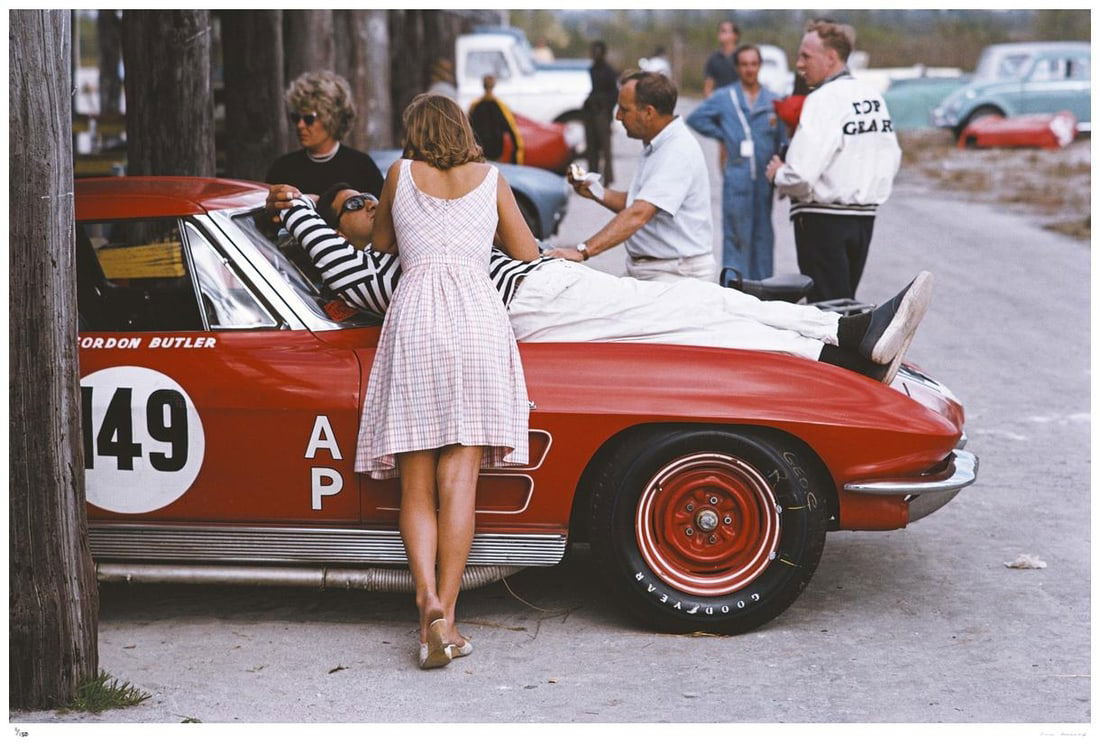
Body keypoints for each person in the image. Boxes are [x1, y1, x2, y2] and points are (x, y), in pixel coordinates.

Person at [267, 184, 932, 386]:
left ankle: (844, 333)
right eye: (351, 203)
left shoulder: (410, 242)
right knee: (694, 327)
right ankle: (840, 352)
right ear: (343, 228)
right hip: (533, 305)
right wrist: (297, 208)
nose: (366, 201)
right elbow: (340, 268)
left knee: (696, 303)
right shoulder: (375, 268)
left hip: (541, 286)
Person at [359, 94, 538, 669]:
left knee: (415, 484)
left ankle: (426, 603)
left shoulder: (400, 174)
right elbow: (526, 251)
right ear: (463, 127)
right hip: (477, 323)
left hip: (415, 319)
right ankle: (451, 620)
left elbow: (380, 242)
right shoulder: (492, 179)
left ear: (414, 131)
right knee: (459, 479)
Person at [765, 20, 901, 302]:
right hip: (863, 217)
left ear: (831, 57)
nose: (799, 64)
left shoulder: (823, 99)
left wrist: (778, 173)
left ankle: (839, 349)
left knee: (826, 310)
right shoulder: (872, 97)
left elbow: (800, 175)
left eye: (806, 56)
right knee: (845, 302)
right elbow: (891, 156)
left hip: (822, 218)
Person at [551, 71, 715, 283]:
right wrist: (595, 192)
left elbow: (639, 213)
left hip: (676, 275)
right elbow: (640, 203)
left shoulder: (676, 151)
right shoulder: (658, 143)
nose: (618, 116)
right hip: (654, 269)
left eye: (624, 109)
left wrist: (583, 251)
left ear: (648, 112)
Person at [687, 44, 787, 281]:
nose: (749, 70)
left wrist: (784, 174)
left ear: (759, 66)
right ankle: (734, 289)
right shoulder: (725, 97)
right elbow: (696, 118)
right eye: (744, 65)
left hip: (764, 179)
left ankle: (764, 289)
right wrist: (723, 134)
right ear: (737, 67)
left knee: (763, 234)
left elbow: (783, 139)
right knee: (735, 234)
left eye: (754, 64)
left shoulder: (773, 101)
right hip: (737, 176)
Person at [265, 70, 384, 198]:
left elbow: (380, 213)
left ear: (332, 118)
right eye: (296, 118)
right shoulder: (283, 168)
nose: (300, 125)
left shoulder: (361, 166)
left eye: (308, 119)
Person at [468, 74, 524, 164]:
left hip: (479, 153)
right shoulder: (501, 106)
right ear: (494, 85)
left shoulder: (474, 106)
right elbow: (513, 132)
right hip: (495, 153)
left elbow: (467, 129)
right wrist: (517, 162)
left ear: (483, 85)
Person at [584, 40, 618, 184]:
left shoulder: (609, 71)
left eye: (598, 51)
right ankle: (593, 177)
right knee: (591, 147)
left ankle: (608, 178)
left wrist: (606, 109)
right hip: (591, 111)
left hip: (602, 113)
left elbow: (614, 94)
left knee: (605, 148)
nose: (595, 54)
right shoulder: (592, 69)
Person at [703, 20, 741, 97]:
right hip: (719, 102)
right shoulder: (713, 59)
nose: (720, 33)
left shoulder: (742, 58)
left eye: (724, 31)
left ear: (735, 35)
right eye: (720, 31)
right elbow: (708, 87)